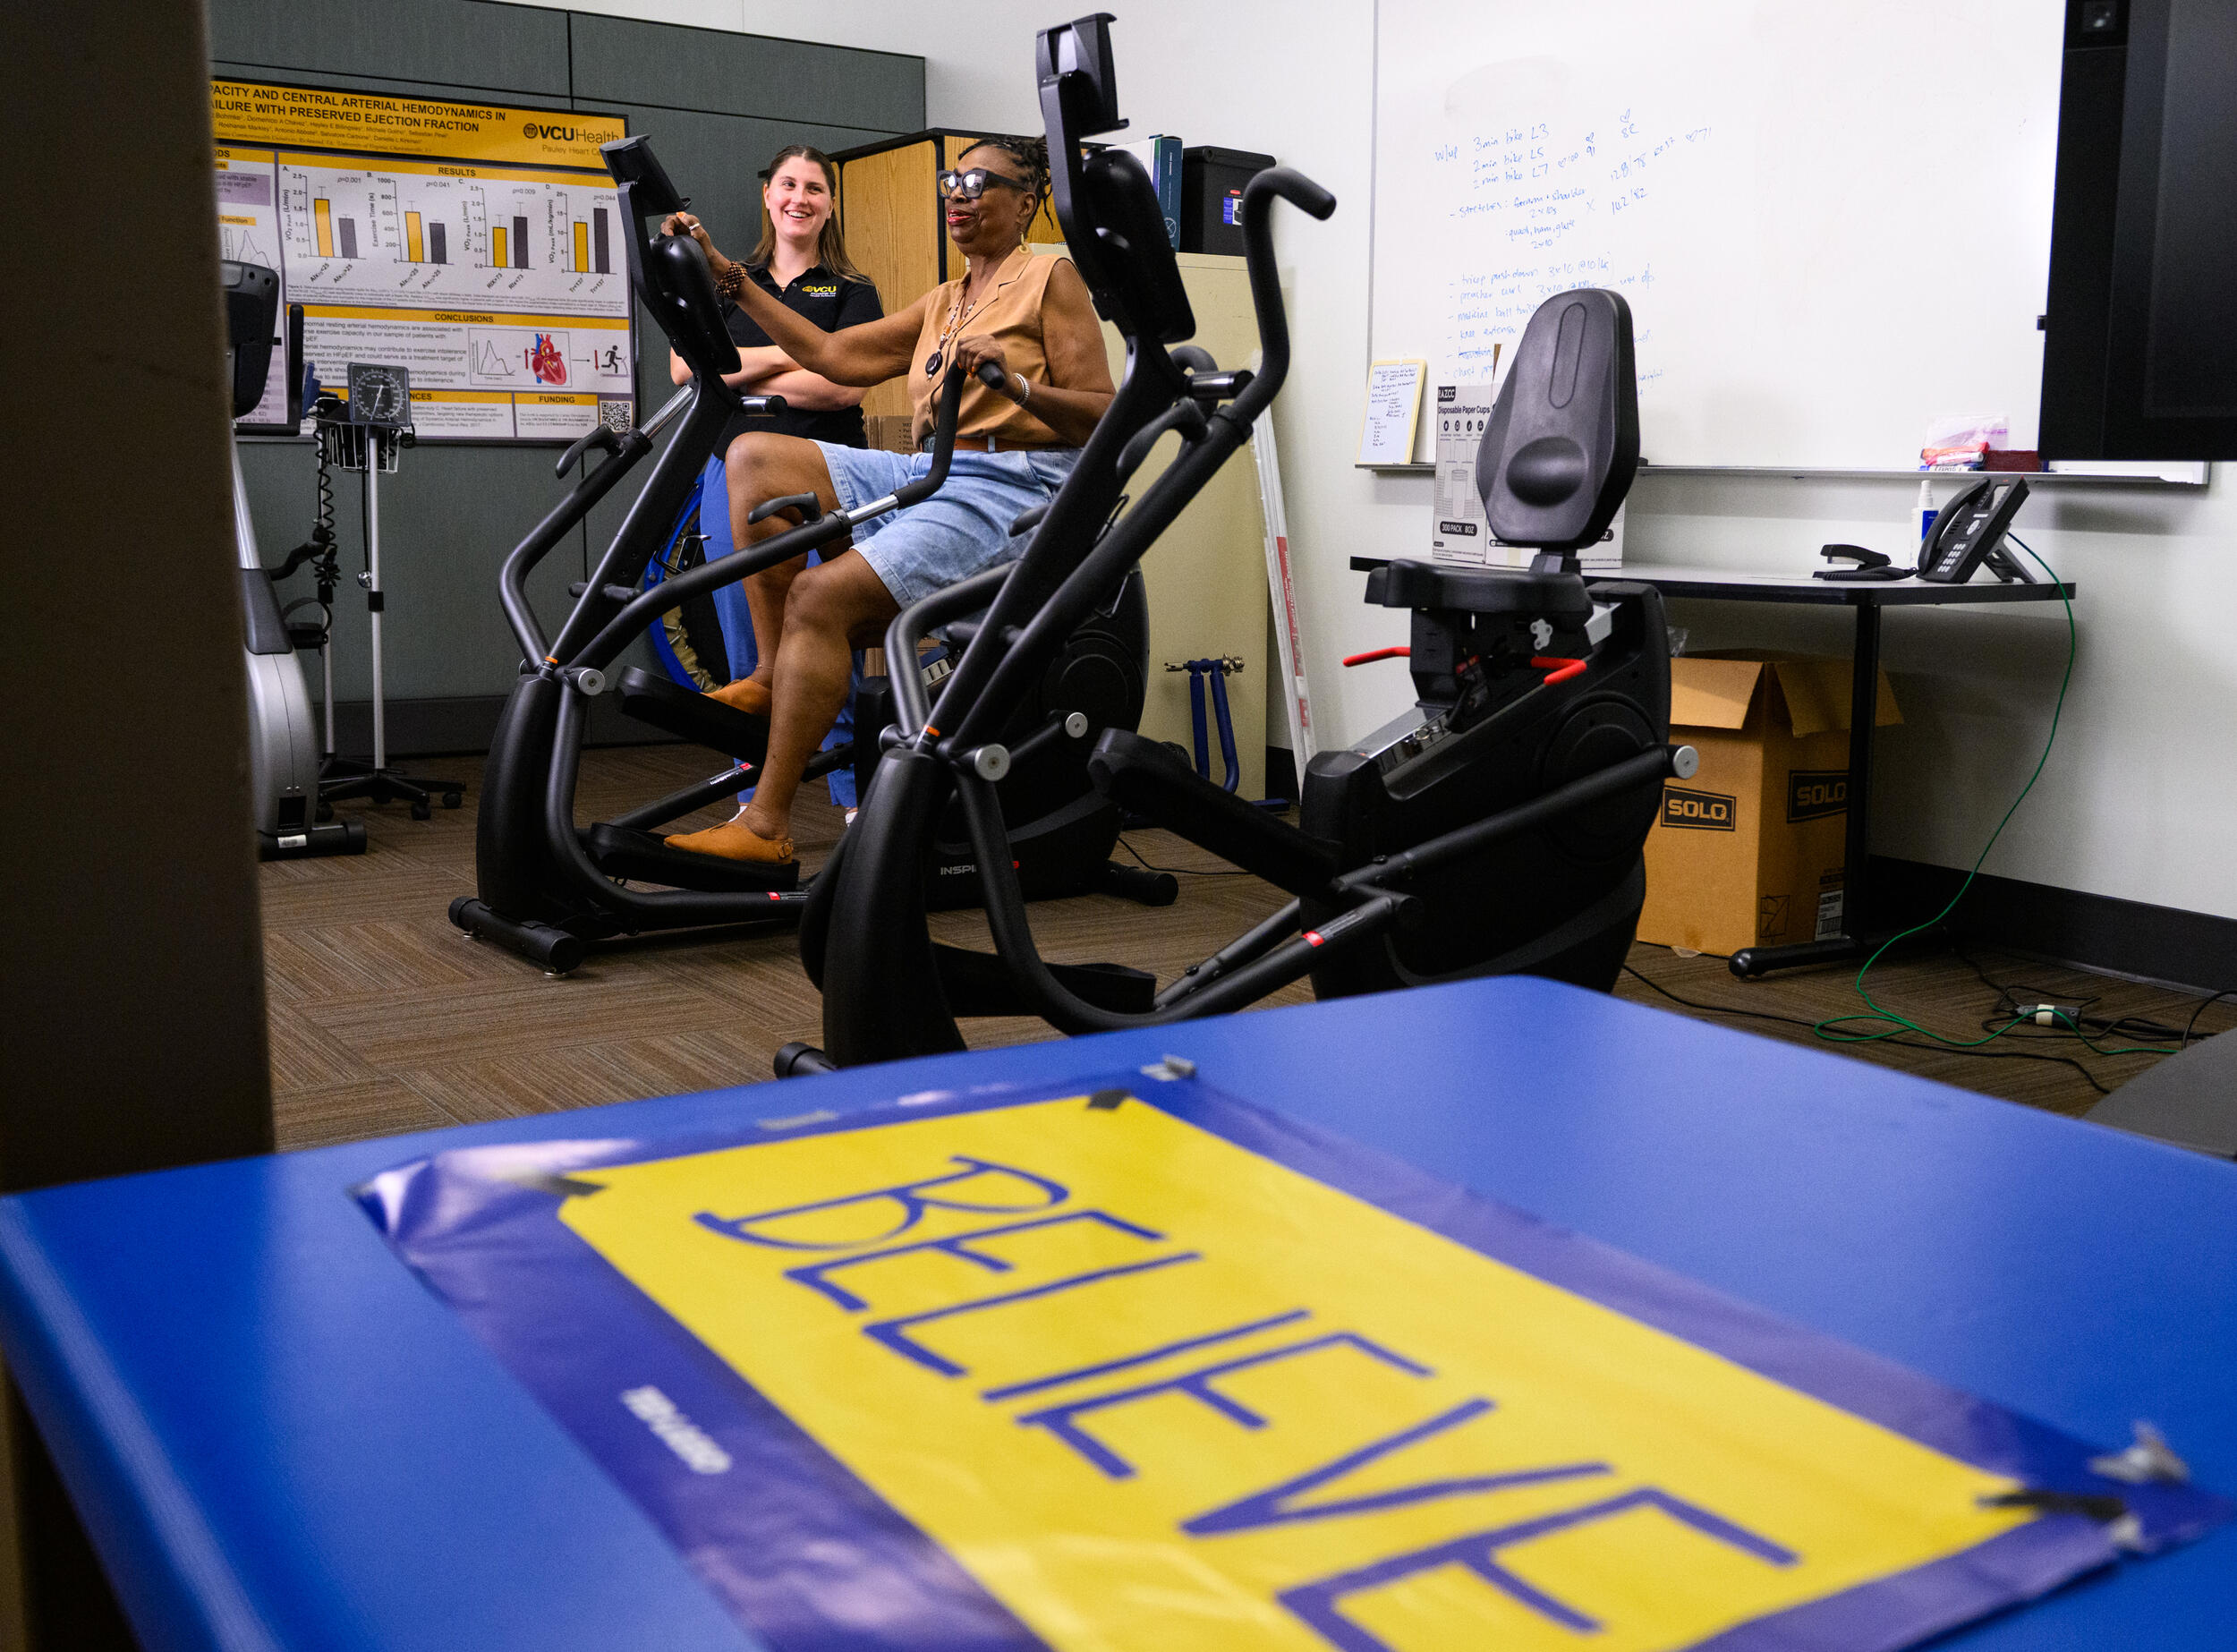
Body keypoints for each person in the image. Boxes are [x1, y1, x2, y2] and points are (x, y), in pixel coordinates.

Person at [661, 136, 1115, 864]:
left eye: (977, 180)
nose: (957, 193)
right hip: (932, 469)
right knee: (756, 457)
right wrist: (730, 278)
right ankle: (773, 674)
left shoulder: (1048, 279)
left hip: (1015, 485)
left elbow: (1102, 413)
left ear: (1026, 202)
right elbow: (835, 355)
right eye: (951, 180)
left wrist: (1014, 385)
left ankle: (765, 825)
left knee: (818, 595)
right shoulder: (945, 299)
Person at [669, 146, 880, 733]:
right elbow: (687, 369)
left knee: (825, 622)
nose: (799, 198)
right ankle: (750, 789)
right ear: (768, 195)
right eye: (788, 185)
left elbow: (844, 387)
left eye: (814, 188)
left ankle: (851, 792)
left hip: (825, 475)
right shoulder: (729, 283)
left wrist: (739, 365)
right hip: (730, 473)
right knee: (744, 633)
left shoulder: (851, 290)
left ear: (830, 206)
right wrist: (802, 349)